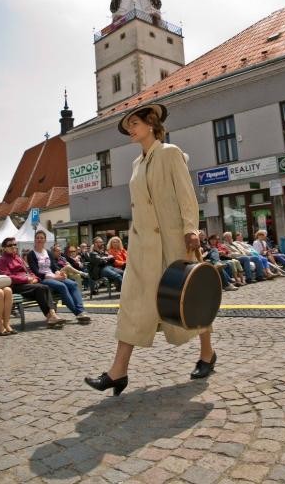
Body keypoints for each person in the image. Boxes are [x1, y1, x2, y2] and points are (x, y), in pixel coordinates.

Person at [85, 103, 217, 396]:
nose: (130, 129)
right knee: (133, 305)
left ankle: (207, 354)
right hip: (143, 247)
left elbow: (186, 195)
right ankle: (118, 372)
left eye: (135, 123)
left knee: (189, 299)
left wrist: (191, 229)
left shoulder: (170, 153)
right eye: (128, 125)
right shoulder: (136, 164)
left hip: (173, 243)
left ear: (151, 123)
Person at [0, 237, 64, 328]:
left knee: (44, 287)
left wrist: (35, 278)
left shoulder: (18, 257)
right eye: (10, 245)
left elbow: (28, 270)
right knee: (41, 288)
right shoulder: (2, 260)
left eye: (15, 244)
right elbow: (7, 276)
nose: (13, 246)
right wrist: (26, 279)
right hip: (15, 286)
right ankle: (51, 317)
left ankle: (52, 315)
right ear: (4, 248)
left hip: (27, 284)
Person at [27, 232, 90, 323]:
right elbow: (36, 272)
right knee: (62, 286)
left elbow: (54, 267)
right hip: (43, 279)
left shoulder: (48, 252)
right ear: (35, 239)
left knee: (73, 284)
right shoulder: (31, 254)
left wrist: (59, 273)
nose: (39, 240)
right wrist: (55, 278)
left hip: (53, 276)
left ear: (45, 240)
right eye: (37, 238)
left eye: (41, 238)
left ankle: (81, 311)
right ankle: (78, 313)